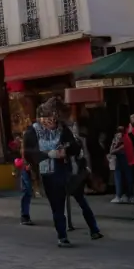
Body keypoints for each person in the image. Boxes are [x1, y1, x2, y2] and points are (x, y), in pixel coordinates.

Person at [22, 103, 102, 247]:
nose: (52, 122)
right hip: (47, 173)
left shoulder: (62, 129)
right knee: (57, 206)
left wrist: (67, 150)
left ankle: (94, 229)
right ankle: (62, 236)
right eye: (48, 118)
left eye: (54, 118)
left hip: (66, 170)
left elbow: (75, 147)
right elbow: (28, 153)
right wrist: (48, 154)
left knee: (81, 200)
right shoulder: (32, 131)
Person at [108, 126, 134, 204]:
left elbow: (113, 151)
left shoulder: (125, 139)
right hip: (122, 158)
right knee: (124, 176)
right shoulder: (124, 138)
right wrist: (114, 144)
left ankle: (123, 196)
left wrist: (115, 147)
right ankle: (127, 195)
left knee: (122, 177)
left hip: (124, 157)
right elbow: (112, 150)